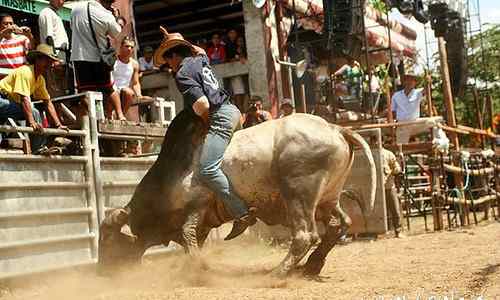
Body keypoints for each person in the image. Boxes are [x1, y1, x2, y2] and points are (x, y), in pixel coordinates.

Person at [153, 28, 256, 241]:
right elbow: (199, 50)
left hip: (221, 116)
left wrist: (209, 123)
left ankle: (241, 213)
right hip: (235, 112)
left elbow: (201, 104)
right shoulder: (199, 59)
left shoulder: (182, 73)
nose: (168, 65)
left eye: (167, 59)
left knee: (207, 169)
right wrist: (177, 40)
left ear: (174, 56)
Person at [0, 44, 67, 154]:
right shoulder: (26, 72)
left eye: (51, 61)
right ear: (37, 60)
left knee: (32, 112)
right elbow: (25, 99)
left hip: (7, 102)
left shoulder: (40, 79)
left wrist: (58, 125)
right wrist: (31, 122)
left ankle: (39, 148)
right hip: (2, 98)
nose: (49, 64)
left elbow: (47, 102)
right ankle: (38, 148)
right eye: (47, 60)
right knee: (33, 112)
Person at [70, 0, 125, 120]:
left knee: (84, 91)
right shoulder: (106, 15)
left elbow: (72, 26)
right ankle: (120, 116)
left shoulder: (75, 9)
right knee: (109, 87)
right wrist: (115, 17)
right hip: (99, 57)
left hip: (79, 57)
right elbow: (116, 32)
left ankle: (91, 119)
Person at [391, 71, 425, 144]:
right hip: (402, 124)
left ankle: (441, 146)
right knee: (401, 147)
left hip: (416, 123)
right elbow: (393, 111)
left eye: (412, 80)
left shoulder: (418, 92)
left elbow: (427, 90)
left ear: (415, 83)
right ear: (404, 82)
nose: (410, 82)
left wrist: (428, 82)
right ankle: (401, 152)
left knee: (434, 123)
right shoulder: (396, 95)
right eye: (408, 80)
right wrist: (395, 122)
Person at [112, 37, 141, 118]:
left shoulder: (134, 64)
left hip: (125, 92)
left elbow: (136, 83)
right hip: (112, 91)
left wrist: (139, 95)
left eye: (131, 47)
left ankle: (121, 116)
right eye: (127, 46)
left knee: (129, 92)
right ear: (121, 47)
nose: (129, 49)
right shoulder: (113, 60)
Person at [381, 147, 403, 238]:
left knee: (395, 209)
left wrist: (391, 170)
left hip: (388, 186)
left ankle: (398, 231)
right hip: (375, 189)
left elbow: (397, 168)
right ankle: (375, 232)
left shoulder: (388, 154)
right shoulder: (369, 153)